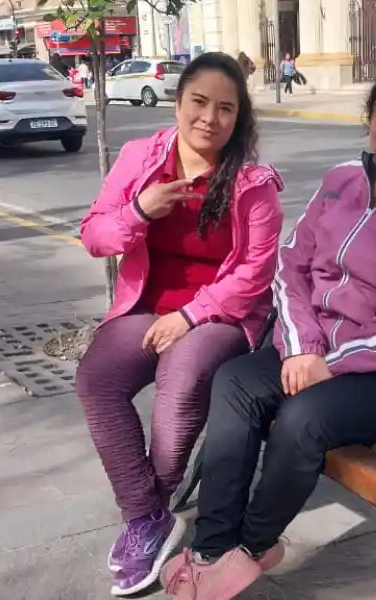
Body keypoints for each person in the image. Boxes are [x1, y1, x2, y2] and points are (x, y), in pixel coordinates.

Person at [160, 58, 376, 600]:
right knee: (236, 380)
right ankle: (212, 547)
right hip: (329, 352)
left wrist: (331, 362)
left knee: (304, 417)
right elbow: (290, 265)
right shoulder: (344, 180)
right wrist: (302, 346)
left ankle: (249, 549)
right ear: (369, 119)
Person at [75, 51, 284, 597]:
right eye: (199, 102)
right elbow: (95, 235)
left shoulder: (253, 183)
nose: (209, 118)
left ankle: (152, 509)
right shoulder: (142, 158)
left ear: (239, 118)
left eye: (225, 108)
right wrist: (140, 210)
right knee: (98, 378)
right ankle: (147, 515)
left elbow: (255, 275)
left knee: (184, 373)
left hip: (222, 313)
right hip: (146, 303)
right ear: (177, 102)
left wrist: (190, 316)